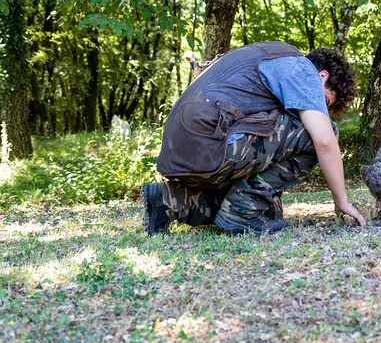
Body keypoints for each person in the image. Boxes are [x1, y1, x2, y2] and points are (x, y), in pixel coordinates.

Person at [141, 41, 366, 235]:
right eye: (324, 101)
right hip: (211, 141)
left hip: (187, 149)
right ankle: (242, 212)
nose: (321, 109)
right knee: (324, 131)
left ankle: (167, 201)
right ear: (322, 76)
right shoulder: (302, 68)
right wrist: (342, 200)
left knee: (269, 211)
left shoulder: (272, 58)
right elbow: (325, 140)